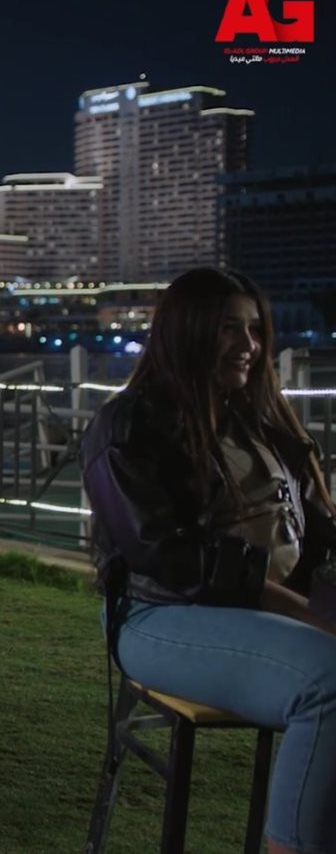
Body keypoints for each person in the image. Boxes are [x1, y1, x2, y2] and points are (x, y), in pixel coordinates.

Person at [82, 267, 336, 854]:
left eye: (254, 330)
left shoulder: (261, 426)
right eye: (228, 329)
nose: (249, 346)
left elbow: (318, 533)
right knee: (327, 680)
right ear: (187, 331)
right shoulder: (127, 426)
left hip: (271, 612)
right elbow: (174, 561)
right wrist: (311, 615)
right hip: (158, 615)